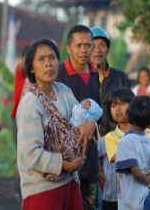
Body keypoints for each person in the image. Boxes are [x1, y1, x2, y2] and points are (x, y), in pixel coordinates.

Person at [17, 38, 97, 210]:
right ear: (31, 67)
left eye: (52, 58)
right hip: (42, 190)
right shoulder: (30, 103)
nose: (48, 64)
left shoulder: (65, 92)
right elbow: (30, 154)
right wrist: (65, 165)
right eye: (41, 59)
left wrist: (91, 125)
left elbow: (81, 121)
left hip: (70, 185)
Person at [56, 24, 100, 209]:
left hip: (89, 158)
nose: (84, 50)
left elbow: (100, 112)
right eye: (79, 45)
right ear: (69, 48)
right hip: (63, 158)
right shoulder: (58, 74)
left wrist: (92, 125)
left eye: (88, 45)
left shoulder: (96, 74)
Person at [98, 88, 135, 210]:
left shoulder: (144, 135)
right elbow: (94, 159)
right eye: (113, 105)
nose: (118, 109)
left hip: (136, 197)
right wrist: (103, 180)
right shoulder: (107, 138)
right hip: (111, 198)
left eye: (122, 104)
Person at [90, 26, 130, 134]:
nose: (97, 50)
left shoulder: (121, 78)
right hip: (90, 137)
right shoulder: (81, 78)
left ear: (107, 50)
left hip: (117, 136)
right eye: (93, 46)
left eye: (102, 46)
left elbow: (130, 109)